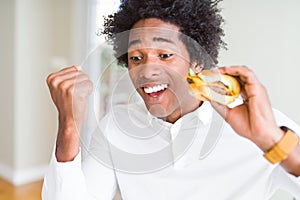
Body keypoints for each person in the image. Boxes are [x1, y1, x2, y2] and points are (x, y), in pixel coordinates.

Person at [42, 0, 300, 199]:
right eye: (136, 58)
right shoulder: (117, 125)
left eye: (164, 55)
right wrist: (69, 123)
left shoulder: (268, 130)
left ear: (198, 61)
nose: (146, 70)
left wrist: (269, 140)